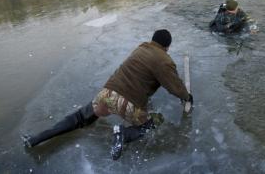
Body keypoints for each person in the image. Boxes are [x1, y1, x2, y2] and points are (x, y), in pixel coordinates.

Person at [22, 29, 193, 160]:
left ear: (152, 40)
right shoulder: (164, 60)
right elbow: (174, 87)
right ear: (167, 46)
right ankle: (123, 135)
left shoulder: (141, 48)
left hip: (107, 93)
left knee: (81, 117)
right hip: (128, 103)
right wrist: (187, 97)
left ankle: (37, 138)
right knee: (154, 121)